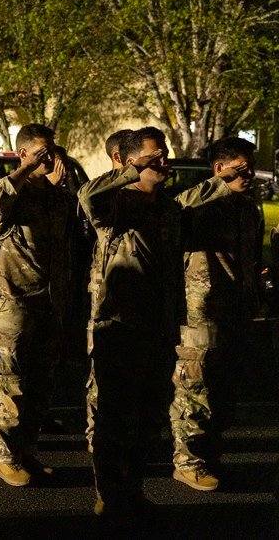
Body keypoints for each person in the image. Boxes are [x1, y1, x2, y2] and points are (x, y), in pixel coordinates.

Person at [78, 126, 234, 519]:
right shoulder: (116, 204)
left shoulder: (166, 207)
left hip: (160, 327)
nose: (163, 161)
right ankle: (111, 499)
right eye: (155, 156)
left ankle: (133, 490)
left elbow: (192, 208)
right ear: (132, 162)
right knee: (115, 419)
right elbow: (87, 195)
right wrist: (133, 170)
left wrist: (225, 178)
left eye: (163, 154)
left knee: (149, 419)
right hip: (120, 327)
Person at [0, 124, 75, 486]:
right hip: (13, 301)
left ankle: (27, 451)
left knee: (40, 383)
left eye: (51, 150)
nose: (49, 157)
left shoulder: (56, 196)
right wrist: (24, 168)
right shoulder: (9, 193)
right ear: (23, 154)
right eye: (41, 152)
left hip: (49, 302)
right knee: (10, 383)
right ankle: (4, 457)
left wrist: (56, 182)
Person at [170, 136, 260, 491]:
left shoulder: (247, 208)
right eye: (240, 166)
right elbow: (175, 210)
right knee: (194, 390)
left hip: (236, 311)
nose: (249, 173)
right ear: (219, 169)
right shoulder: (196, 205)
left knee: (224, 391)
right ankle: (187, 461)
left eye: (250, 166)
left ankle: (211, 455)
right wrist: (219, 184)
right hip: (200, 312)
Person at [85, 129, 133, 454]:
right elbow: (87, 197)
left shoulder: (150, 200)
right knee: (102, 374)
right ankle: (97, 436)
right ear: (119, 160)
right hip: (107, 303)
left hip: (139, 302)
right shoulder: (109, 197)